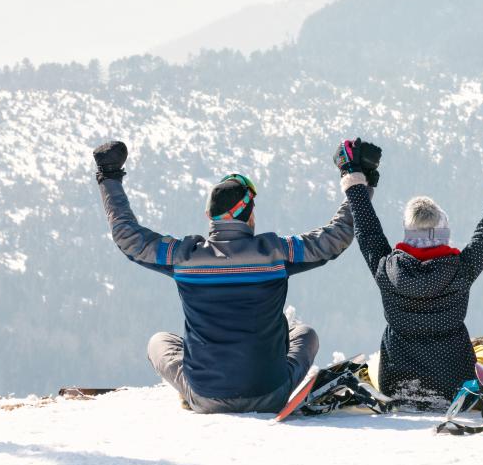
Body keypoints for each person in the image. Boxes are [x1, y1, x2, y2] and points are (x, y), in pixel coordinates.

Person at [91, 139, 361, 414]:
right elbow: (336, 237)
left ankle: (194, 391)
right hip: (271, 394)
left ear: (209, 216)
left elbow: (129, 237)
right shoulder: (276, 254)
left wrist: (109, 176)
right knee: (306, 334)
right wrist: (357, 180)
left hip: (205, 396)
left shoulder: (184, 257)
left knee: (158, 342)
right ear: (250, 215)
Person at [343, 136, 483, 403]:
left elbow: (367, 230)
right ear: (444, 233)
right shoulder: (461, 270)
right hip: (455, 385)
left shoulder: (387, 270)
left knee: (375, 361)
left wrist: (352, 174)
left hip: (397, 385)